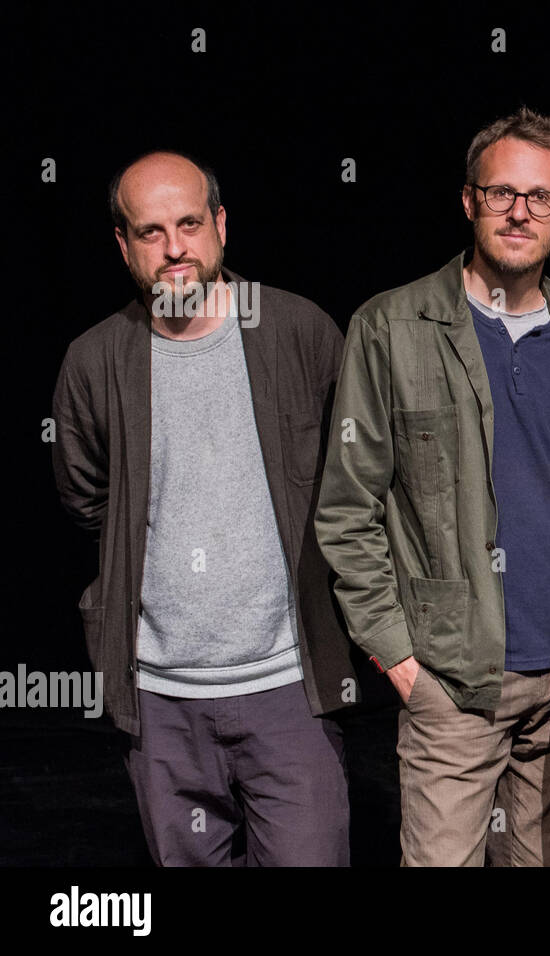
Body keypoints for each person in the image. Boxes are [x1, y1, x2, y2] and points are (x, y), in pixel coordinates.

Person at [315, 107, 550, 867]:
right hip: (453, 681)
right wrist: (399, 659)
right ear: (469, 201)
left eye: (541, 197)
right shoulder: (390, 328)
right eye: (501, 192)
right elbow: (349, 511)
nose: (520, 211)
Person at [51, 150, 356, 866]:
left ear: (220, 224)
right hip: (159, 700)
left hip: (290, 687)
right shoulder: (95, 360)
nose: (175, 247)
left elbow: (359, 481)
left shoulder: (299, 331)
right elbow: (86, 497)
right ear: (123, 246)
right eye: (150, 231)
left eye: (189, 222)